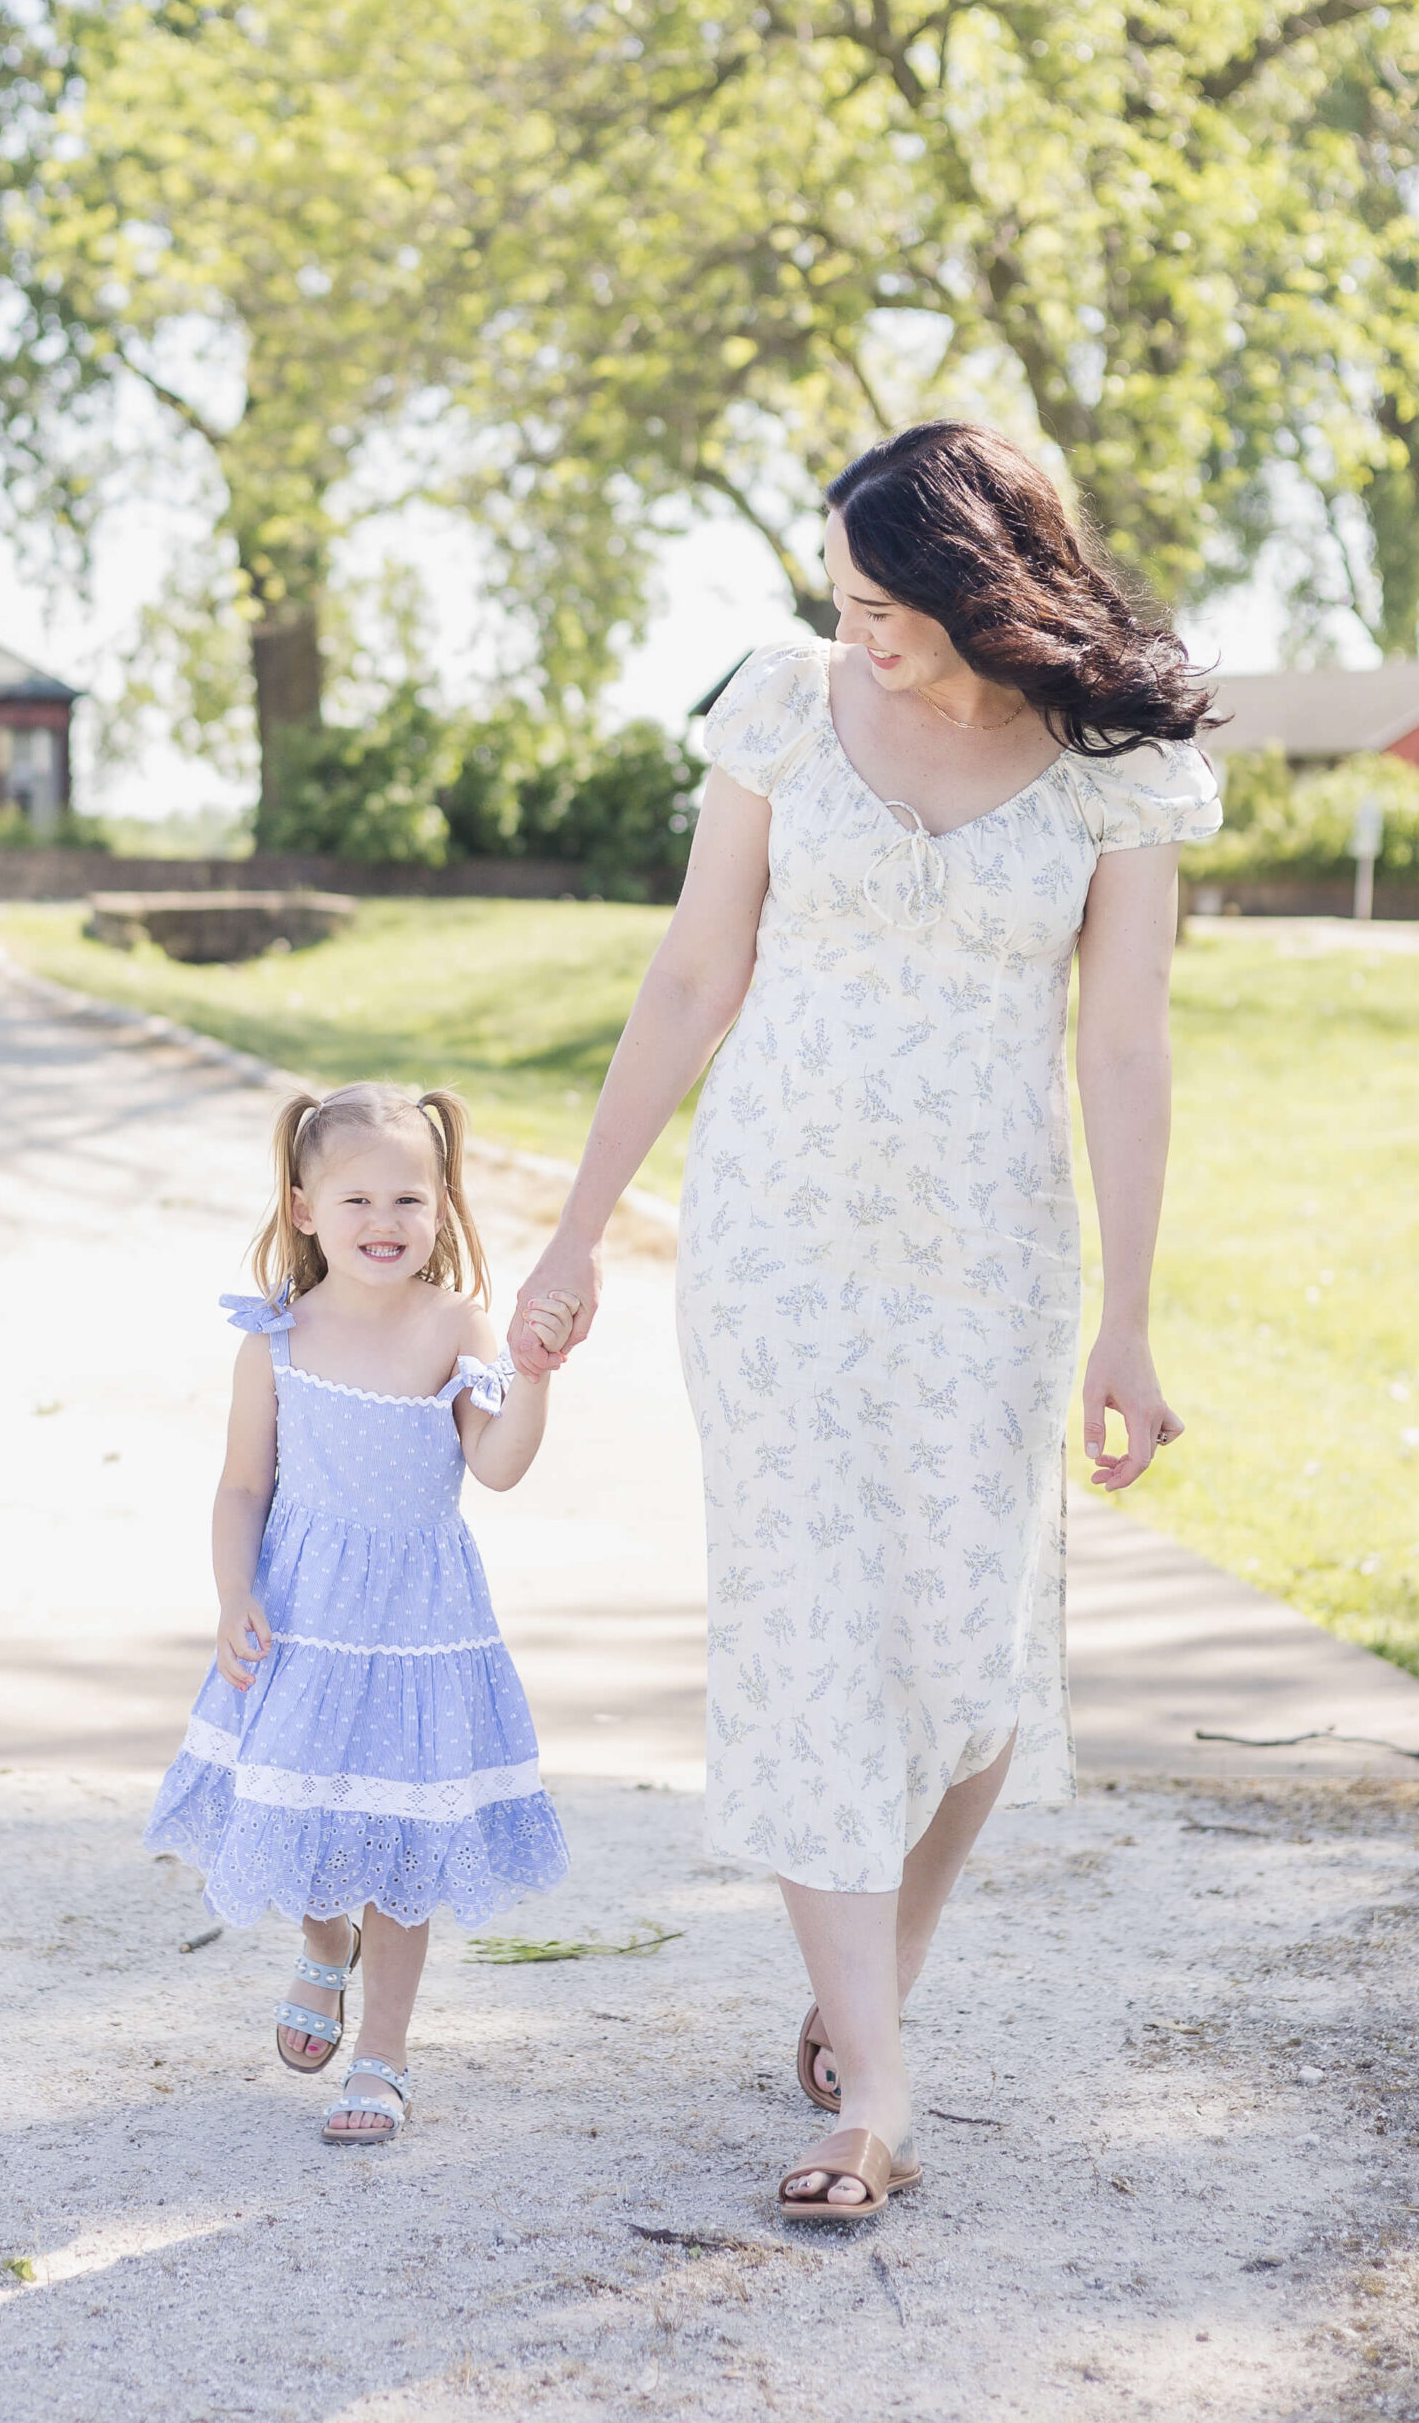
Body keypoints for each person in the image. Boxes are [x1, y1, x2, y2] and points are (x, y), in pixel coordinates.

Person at [513, 420, 1221, 2222]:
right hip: (775, 1246)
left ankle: (865, 1987)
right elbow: (692, 971)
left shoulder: (1108, 767)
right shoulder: (778, 706)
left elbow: (1123, 1046)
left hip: (987, 1256)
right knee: (810, 1620)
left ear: (991, 589)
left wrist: (1126, 1323)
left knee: (968, 1661)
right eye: (840, 596)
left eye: (892, 603)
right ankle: (876, 2099)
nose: (860, 633)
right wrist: (576, 1232)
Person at [146, 1081, 578, 2145]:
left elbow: (499, 1463)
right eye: (356, 1202)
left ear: (442, 1206)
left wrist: (531, 1375)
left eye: (408, 1200)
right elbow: (243, 1484)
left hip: (417, 1627)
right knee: (307, 1804)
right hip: (301, 1617)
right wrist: (232, 1592)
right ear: (302, 1208)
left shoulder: (453, 1323)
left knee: (401, 1830)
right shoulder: (277, 1341)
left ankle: (380, 2057)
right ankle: (320, 1940)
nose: (384, 1223)